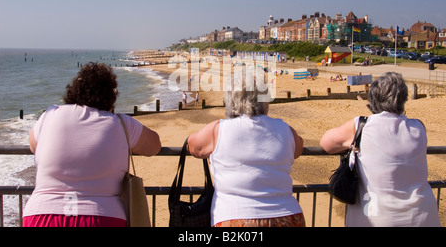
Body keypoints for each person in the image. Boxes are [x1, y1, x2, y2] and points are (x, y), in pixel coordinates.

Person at [23, 62, 161, 227]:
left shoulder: (50, 114)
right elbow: (154, 146)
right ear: (111, 96)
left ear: (74, 91)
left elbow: (33, 145)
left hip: (42, 213)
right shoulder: (121, 124)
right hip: (101, 216)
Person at [320, 72, 440, 227]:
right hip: (423, 214)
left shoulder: (362, 126)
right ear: (403, 99)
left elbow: (326, 143)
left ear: (374, 97)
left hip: (377, 216)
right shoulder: (418, 127)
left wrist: (351, 145)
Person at [187, 73, 305, 227]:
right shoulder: (285, 128)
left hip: (235, 216)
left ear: (230, 100)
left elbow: (193, 146)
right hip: (288, 216)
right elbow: (298, 149)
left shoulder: (218, 129)